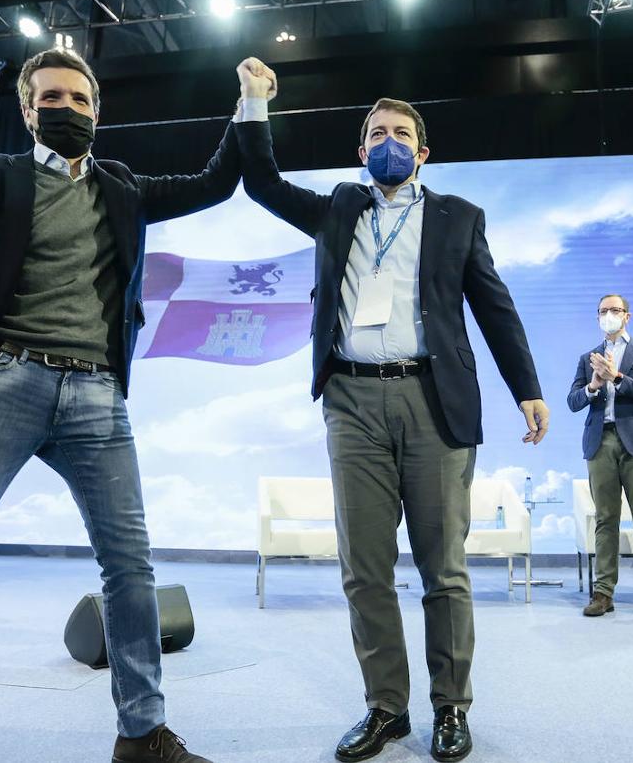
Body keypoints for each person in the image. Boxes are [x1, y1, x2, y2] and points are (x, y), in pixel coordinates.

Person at [0, 48, 240, 763]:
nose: (66, 109)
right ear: (28, 111)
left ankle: (142, 735)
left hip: (97, 397)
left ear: (98, 111)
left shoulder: (121, 186)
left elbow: (217, 182)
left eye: (78, 99)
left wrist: (251, 104)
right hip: (3, 381)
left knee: (131, 570)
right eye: (50, 98)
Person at [232, 57, 549, 763]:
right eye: (376, 132)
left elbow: (495, 308)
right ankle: (385, 709)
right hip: (351, 400)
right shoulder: (340, 207)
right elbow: (260, 182)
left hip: (432, 401)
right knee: (364, 570)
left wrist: (526, 386)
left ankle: (450, 708)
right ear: (360, 149)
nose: (388, 141)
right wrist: (255, 104)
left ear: (423, 151)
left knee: (444, 569)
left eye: (401, 132)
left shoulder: (459, 218)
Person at [568, 294, 633, 621]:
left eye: (615, 310)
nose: (609, 315)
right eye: (603, 311)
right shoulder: (588, 357)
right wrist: (594, 386)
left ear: (627, 316)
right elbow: (573, 400)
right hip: (600, 441)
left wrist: (618, 378)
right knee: (605, 519)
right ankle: (603, 592)